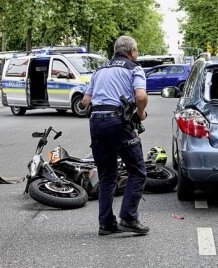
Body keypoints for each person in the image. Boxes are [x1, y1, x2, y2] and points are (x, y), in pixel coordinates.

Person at [82, 35, 149, 236]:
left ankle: (106, 223)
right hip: (118, 123)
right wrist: (140, 114)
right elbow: (141, 96)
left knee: (107, 175)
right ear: (132, 52)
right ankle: (128, 217)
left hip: (96, 123)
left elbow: (86, 101)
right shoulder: (134, 68)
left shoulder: (100, 70)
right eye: (136, 52)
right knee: (138, 171)